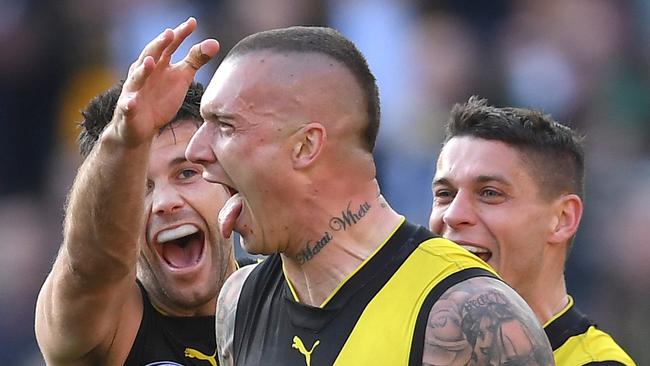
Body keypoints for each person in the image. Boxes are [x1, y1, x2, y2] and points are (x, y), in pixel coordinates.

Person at [184, 25, 555, 365]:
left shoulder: (469, 315)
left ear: (305, 146)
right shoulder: (240, 300)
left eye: (226, 127)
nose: (196, 150)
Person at [35, 18, 236, 366]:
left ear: (230, 184)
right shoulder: (109, 329)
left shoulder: (288, 293)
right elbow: (91, 264)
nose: (165, 203)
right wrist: (125, 138)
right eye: (141, 189)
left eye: (187, 173)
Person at [428, 96, 636, 365]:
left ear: (562, 219)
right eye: (444, 194)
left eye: (489, 193)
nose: (453, 215)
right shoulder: (401, 341)